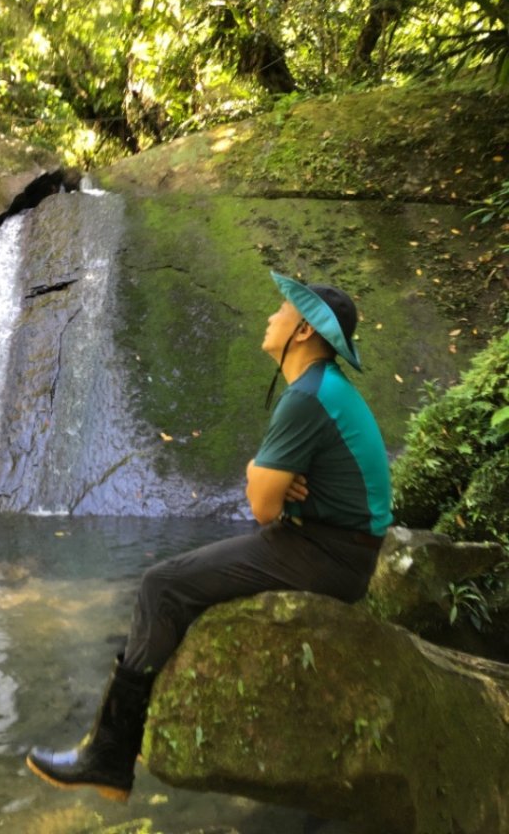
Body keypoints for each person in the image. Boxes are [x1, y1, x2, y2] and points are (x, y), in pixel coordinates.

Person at [26, 270, 393, 802]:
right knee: (170, 583)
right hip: (334, 546)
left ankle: (108, 757)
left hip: (327, 552)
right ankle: (115, 748)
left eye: (283, 310)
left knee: (161, 586)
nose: (271, 315)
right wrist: (265, 474)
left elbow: (262, 507)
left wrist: (262, 477)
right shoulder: (321, 389)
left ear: (303, 332)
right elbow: (269, 490)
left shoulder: (308, 397)